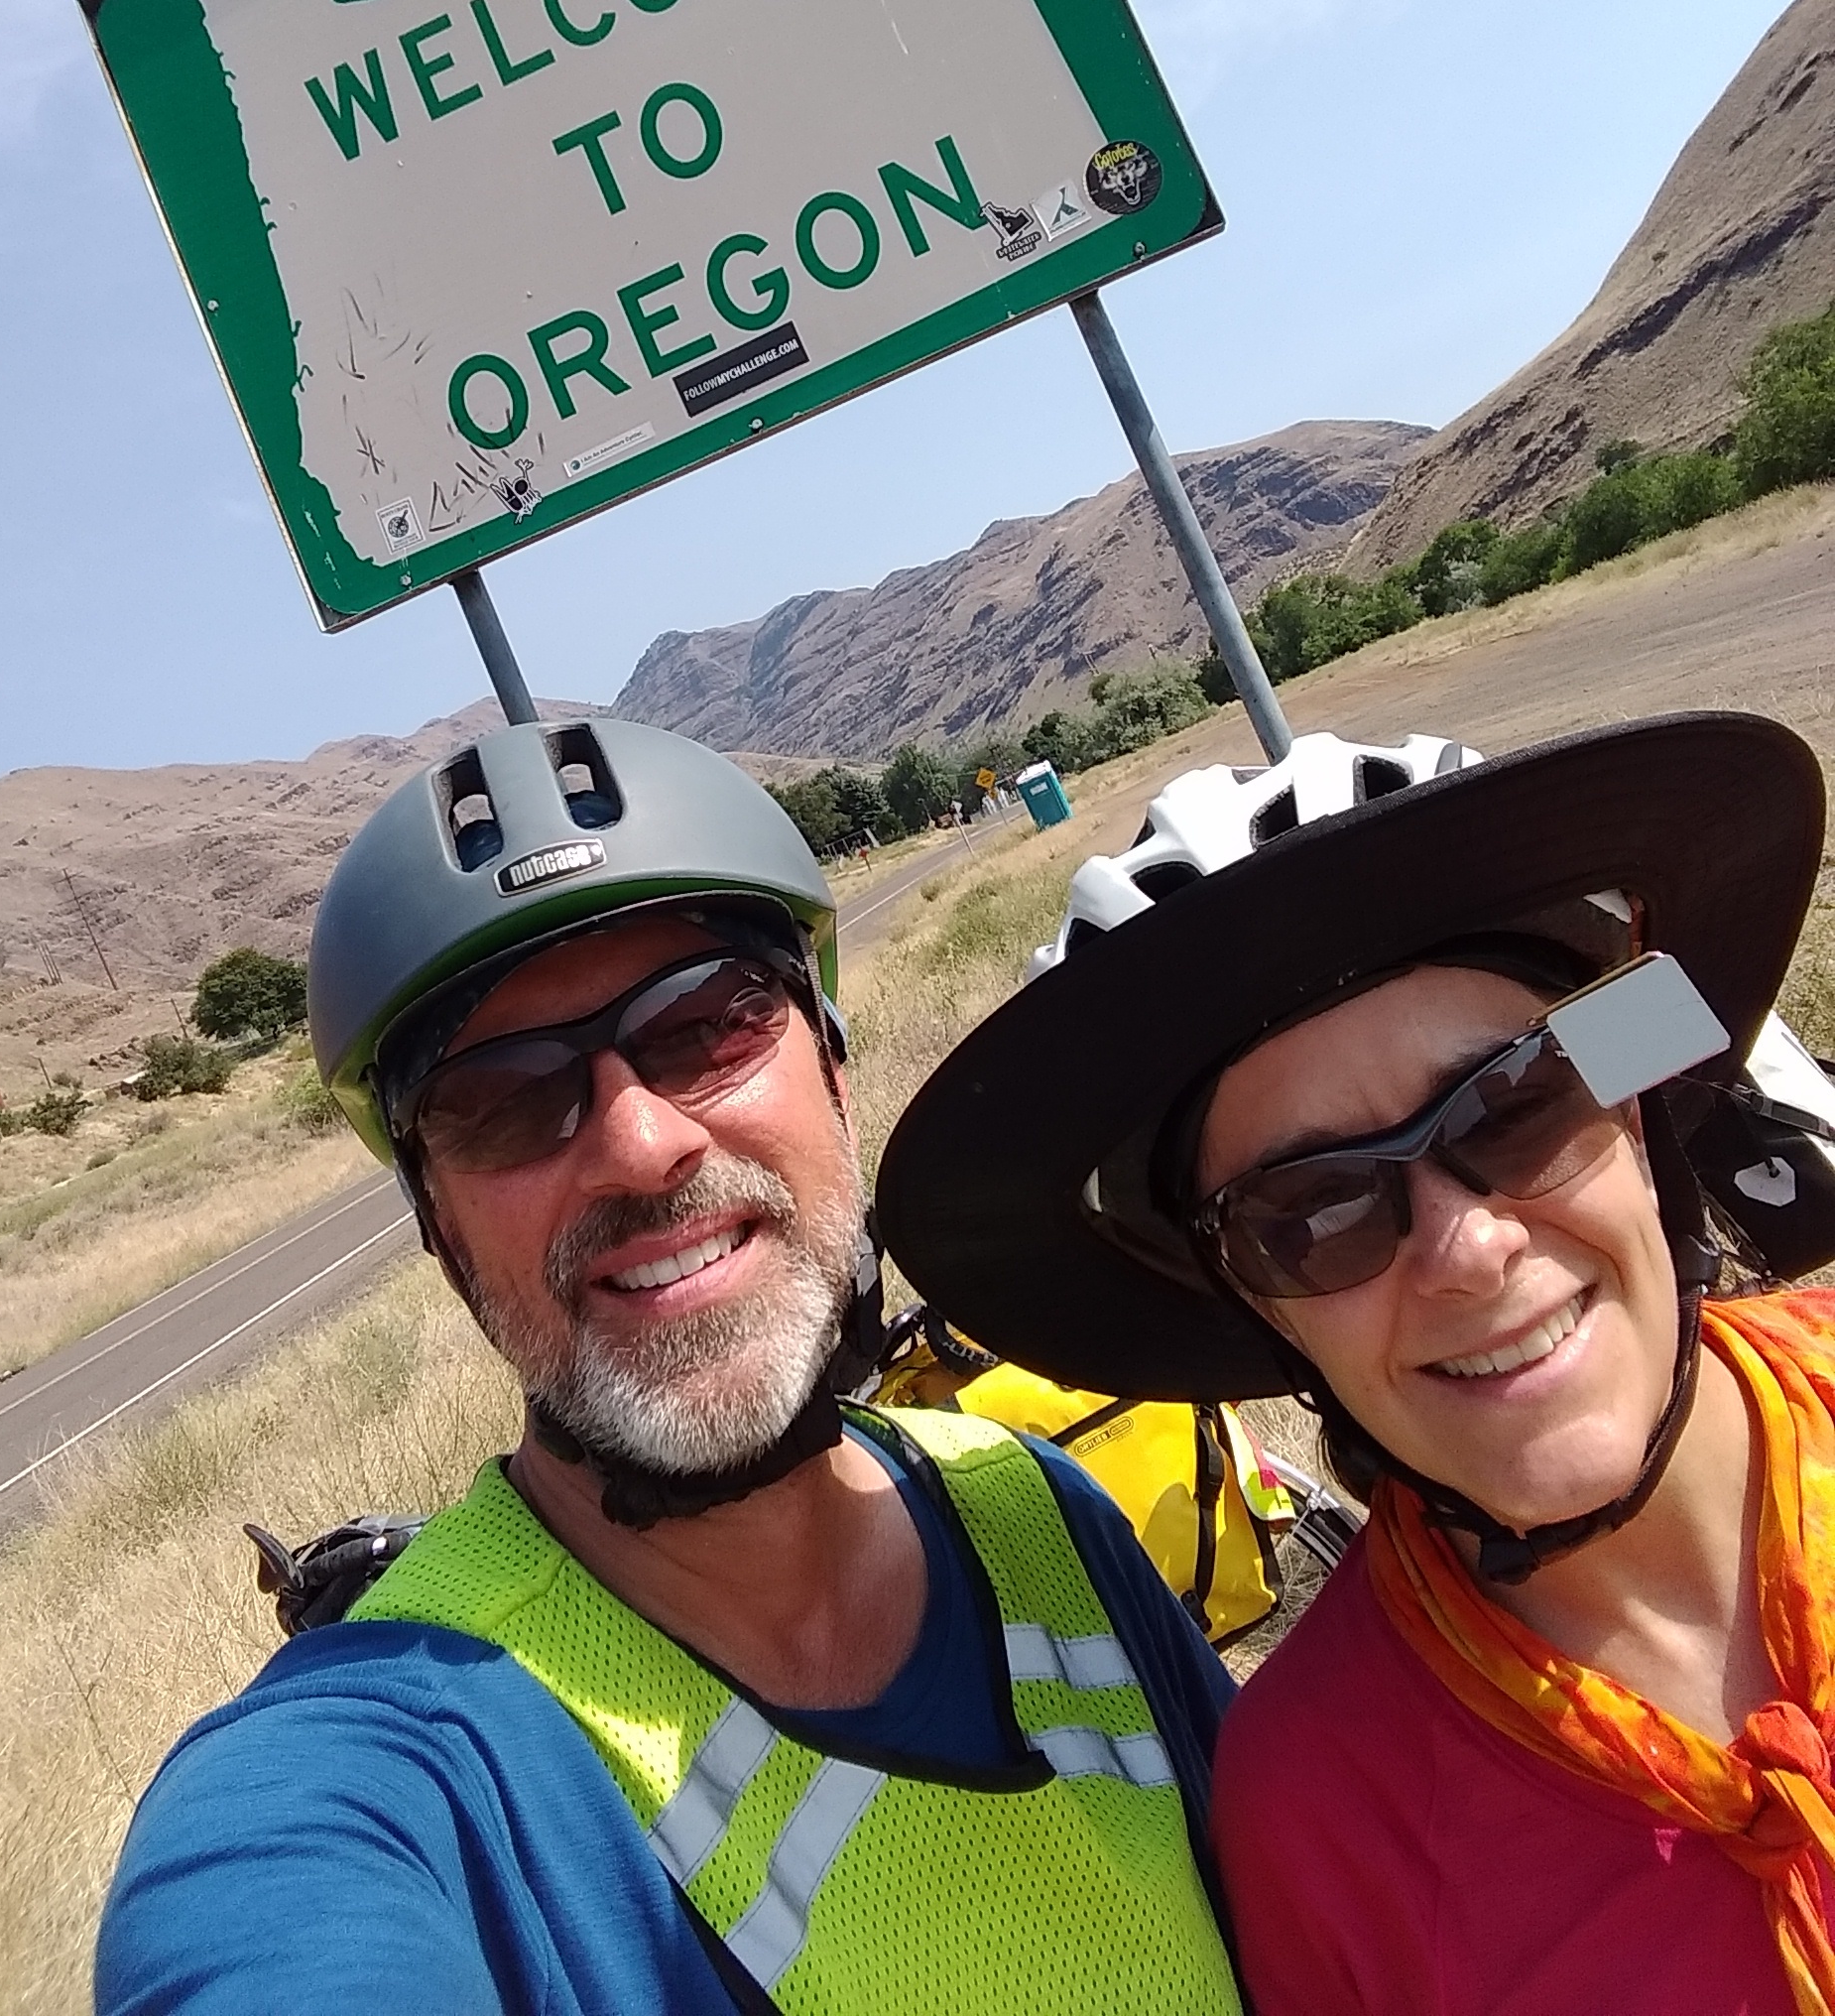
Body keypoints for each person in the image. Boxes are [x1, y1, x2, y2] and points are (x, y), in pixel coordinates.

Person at [95, 714, 1246, 2016]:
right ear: (440, 1230)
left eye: (707, 1023)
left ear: (834, 1071)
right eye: (501, 1101)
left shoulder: (1034, 1511)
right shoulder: (374, 1780)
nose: (641, 1146)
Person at [877, 711, 1835, 2016]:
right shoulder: (1320, 1818)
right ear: (1262, 1314)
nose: (1469, 1249)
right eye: (1314, 1215)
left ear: (1640, 1102)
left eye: (1520, 1106)